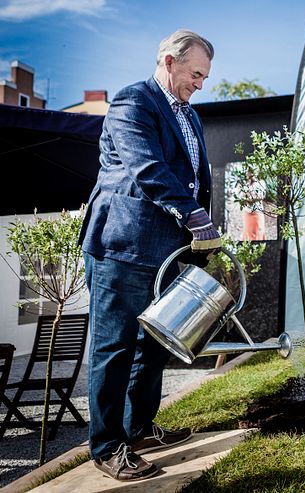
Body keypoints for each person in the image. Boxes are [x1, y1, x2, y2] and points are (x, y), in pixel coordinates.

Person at [78, 29, 221, 481]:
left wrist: (199, 232)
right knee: (114, 346)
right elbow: (147, 170)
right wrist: (195, 216)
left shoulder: (190, 116)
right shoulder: (132, 102)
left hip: (166, 249)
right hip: (121, 244)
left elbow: (197, 178)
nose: (200, 83)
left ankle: (138, 429)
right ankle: (105, 447)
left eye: (205, 76)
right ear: (167, 60)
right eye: (195, 73)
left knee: (154, 344)